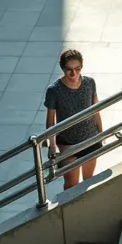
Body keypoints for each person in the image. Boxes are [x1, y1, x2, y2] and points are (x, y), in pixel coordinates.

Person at [45, 49, 103, 190]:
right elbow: (50, 122)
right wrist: (52, 146)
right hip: (67, 142)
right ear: (63, 68)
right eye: (69, 70)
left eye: (77, 69)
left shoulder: (89, 83)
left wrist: (101, 134)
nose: (73, 74)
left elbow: (96, 109)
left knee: (89, 180)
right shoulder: (54, 90)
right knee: (71, 184)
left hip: (90, 138)